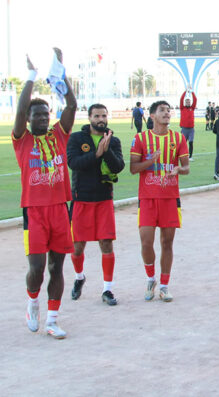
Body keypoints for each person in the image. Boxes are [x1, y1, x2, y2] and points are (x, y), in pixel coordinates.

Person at [13, 49, 77, 339]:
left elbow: (72, 106)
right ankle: (32, 302)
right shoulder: (22, 141)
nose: (41, 119)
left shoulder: (59, 135)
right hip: (34, 211)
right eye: (35, 115)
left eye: (44, 114)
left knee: (57, 266)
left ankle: (52, 319)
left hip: (59, 210)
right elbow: (19, 109)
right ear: (27, 119)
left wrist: (61, 72)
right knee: (37, 268)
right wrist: (31, 76)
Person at [130, 100, 190, 302]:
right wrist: (150, 161)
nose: (167, 113)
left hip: (170, 198)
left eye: (168, 110)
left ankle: (164, 285)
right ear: (152, 116)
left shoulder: (178, 138)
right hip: (147, 198)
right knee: (146, 242)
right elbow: (133, 168)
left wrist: (177, 170)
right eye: (162, 110)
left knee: (167, 242)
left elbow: (186, 168)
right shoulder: (141, 138)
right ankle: (150, 278)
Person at [66, 104, 125, 306]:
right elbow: (73, 163)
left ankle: (107, 289)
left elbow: (119, 166)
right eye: (97, 116)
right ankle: (79, 276)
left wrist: (106, 151)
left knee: (106, 243)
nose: (101, 119)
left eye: (104, 115)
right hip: (81, 198)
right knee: (77, 246)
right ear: (89, 117)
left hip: (103, 198)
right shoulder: (76, 139)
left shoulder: (113, 140)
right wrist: (96, 154)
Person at [179, 87, 197, 160]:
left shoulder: (192, 108)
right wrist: (185, 91)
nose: (188, 103)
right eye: (187, 102)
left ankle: (190, 156)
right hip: (184, 129)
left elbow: (195, 100)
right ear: (185, 103)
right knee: (183, 143)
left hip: (191, 129)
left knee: (191, 142)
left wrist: (192, 92)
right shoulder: (182, 108)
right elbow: (181, 99)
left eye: (189, 102)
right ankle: (182, 156)